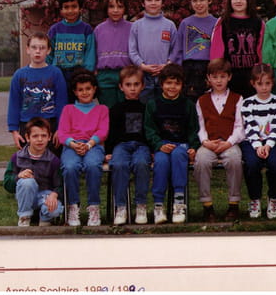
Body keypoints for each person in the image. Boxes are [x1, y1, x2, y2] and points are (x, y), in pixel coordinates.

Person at [144, 63, 199, 224]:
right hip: (162, 145)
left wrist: (194, 147)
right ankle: (158, 205)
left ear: (182, 85)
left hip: (181, 144)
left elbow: (193, 129)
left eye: (177, 83)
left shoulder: (188, 105)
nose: (172, 87)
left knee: (178, 155)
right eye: (168, 83)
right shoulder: (153, 104)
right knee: (161, 161)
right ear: (161, 84)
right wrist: (158, 144)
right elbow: (149, 129)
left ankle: (179, 203)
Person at [194, 57, 245, 222]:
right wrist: (205, 142)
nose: (218, 81)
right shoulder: (202, 100)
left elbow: (240, 126)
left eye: (222, 77)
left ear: (229, 77)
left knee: (234, 159)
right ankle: (207, 206)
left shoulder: (237, 99)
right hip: (209, 143)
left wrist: (229, 142)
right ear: (208, 78)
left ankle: (233, 204)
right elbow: (200, 126)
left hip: (229, 142)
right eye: (215, 77)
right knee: (201, 160)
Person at [57, 69, 109, 227]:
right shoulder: (68, 109)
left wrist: (88, 144)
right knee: (70, 167)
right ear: (75, 92)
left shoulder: (102, 109)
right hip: (72, 146)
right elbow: (62, 133)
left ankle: (94, 207)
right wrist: (73, 144)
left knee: (92, 166)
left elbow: (103, 131)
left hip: (94, 145)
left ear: (94, 89)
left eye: (88, 88)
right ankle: (73, 206)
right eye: (80, 90)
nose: (85, 92)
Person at [105, 66, 151, 225]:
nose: (132, 88)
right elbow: (111, 132)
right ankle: (121, 207)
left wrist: (152, 150)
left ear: (142, 86)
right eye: (128, 85)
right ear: (121, 87)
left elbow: (150, 130)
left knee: (141, 163)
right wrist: (108, 151)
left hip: (141, 146)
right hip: (121, 146)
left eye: (136, 84)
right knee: (118, 164)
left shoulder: (147, 108)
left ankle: (141, 205)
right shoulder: (115, 109)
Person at [240, 63, 276, 219]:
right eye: (260, 84)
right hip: (252, 142)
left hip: (273, 142)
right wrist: (258, 146)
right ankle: (255, 199)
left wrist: (268, 145)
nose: (264, 87)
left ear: (273, 83)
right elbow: (250, 126)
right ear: (253, 83)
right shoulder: (247, 103)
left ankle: (273, 198)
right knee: (252, 164)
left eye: (267, 83)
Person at [7, 32, 67, 149]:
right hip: (27, 124)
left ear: (48, 50)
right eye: (34, 47)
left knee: (51, 159)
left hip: (50, 124)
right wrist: (14, 131)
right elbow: (14, 103)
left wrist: (60, 128)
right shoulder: (19, 75)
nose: (38, 51)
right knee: (28, 158)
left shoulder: (56, 73)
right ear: (28, 49)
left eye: (42, 48)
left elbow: (62, 102)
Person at [3, 117, 64, 226]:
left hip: (44, 197)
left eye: (43, 136)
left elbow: (59, 185)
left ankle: (44, 219)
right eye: (35, 136)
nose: (40, 139)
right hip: (25, 196)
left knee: (55, 209)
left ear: (49, 137)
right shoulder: (17, 158)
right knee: (27, 182)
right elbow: (7, 183)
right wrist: (18, 177)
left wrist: (54, 194)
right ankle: (24, 217)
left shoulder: (54, 160)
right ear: (27, 137)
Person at [210, 0, 264, 98]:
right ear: (229, 0)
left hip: (252, 78)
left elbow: (261, 50)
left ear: (249, 0)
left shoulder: (258, 22)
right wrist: (218, 75)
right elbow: (217, 52)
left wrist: (261, 72)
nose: (238, 1)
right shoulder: (223, 22)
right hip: (229, 78)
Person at [128, 0, 179, 102]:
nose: (153, 3)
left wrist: (167, 65)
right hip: (143, 75)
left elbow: (175, 49)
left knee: (164, 105)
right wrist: (142, 66)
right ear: (143, 3)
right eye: (149, 0)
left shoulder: (169, 25)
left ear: (162, 3)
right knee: (145, 106)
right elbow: (132, 50)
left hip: (164, 75)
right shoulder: (136, 25)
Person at [47, 0, 96, 101]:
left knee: (78, 105)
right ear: (61, 9)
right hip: (58, 73)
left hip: (79, 74)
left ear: (80, 8)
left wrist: (86, 75)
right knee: (60, 104)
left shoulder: (86, 29)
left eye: (74, 6)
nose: (70, 11)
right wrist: (48, 71)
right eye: (66, 7)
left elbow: (90, 54)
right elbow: (48, 53)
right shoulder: (54, 30)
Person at [177, 0, 218, 102]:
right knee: (190, 101)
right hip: (188, 67)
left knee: (207, 101)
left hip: (208, 66)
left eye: (202, 0)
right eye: (195, 1)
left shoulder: (216, 23)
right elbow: (178, 48)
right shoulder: (185, 23)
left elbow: (218, 48)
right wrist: (178, 69)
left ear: (209, 0)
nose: (198, 4)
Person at [94, 0, 132, 108]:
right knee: (108, 111)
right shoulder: (99, 29)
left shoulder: (132, 28)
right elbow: (93, 53)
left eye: (120, 6)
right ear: (106, 8)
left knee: (126, 110)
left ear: (125, 8)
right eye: (111, 6)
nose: (115, 10)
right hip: (105, 76)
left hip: (126, 74)